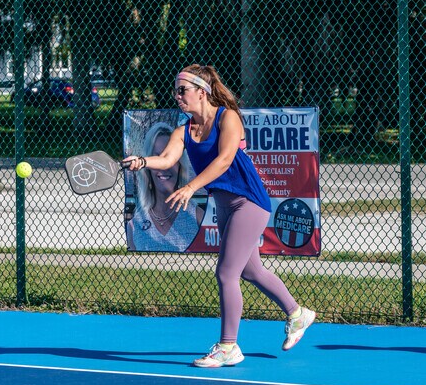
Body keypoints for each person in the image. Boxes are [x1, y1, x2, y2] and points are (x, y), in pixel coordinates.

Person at [124, 64, 315, 368]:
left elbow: (225, 160)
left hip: (249, 202)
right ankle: (297, 313)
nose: (177, 96)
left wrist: (190, 186)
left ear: (202, 91)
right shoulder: (184, 130)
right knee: (250, 271)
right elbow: (167, 158)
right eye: (176, 90)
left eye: (182, 90)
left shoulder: (229, 118)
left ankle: (229, 346)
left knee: (226, 273)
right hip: (225, 205)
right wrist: (143, 160)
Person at [126, 122, 204, 252]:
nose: (165, 166)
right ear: (148, 168)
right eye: (158, 158)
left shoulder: (197, 217)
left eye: (171, 159)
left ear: (180, 165)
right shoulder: (135, 224)